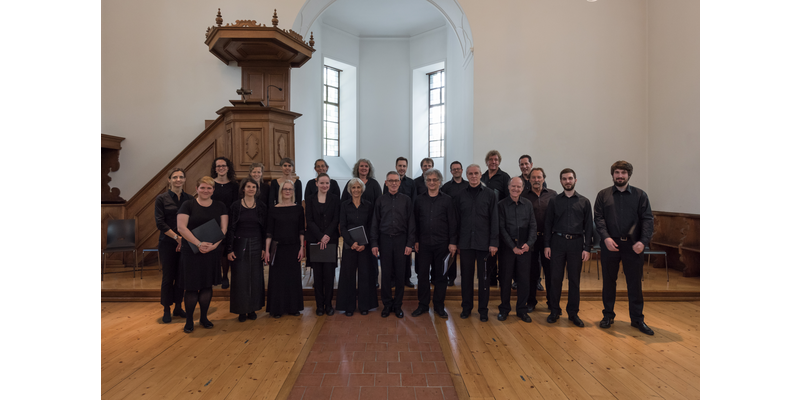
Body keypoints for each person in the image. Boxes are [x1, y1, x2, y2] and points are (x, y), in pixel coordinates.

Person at [594, 160, 655, 335]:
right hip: (610, 244)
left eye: (623, 173)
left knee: (634, 283)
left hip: (633, 246)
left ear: (629, 175)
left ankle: (637, 319)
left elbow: (648, 220)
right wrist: (604, 238)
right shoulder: (603, 195)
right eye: (617, 173)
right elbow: (599, 219)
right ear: (612, 175)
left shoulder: (640, 195)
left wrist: (643, 242)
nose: (620, 176)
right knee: (608, 282)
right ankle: (608, 316)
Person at [176, 176, 229, 333]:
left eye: (209, 188)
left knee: (207, 286)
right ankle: (189, 321)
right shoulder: (188, 205)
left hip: (211, 251)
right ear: (197, 188)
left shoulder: (220, 206)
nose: (206, 190)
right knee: (191, 287)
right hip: (191, 252)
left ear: (213, 190)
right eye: (203, 187)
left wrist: (214, 246)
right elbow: (181, 227)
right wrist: (198, 244)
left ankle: (204, 317)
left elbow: (223, 229)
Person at [544, 168, 592, 327]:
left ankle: (573, 313)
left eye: (570, 178)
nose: (567, 181)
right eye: (564, 179)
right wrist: (547, 245)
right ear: (561, 181)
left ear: (575, 180)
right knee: (555, 279)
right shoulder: (554, 201)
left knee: (574, 280)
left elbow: (589, 227)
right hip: (557, 243)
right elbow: (548, 224)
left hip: (576, 244)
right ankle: (554, 310)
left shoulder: (584, 202)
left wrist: (587, 248)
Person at [455, 164, 499, 322]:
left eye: (476, 173)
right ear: (466, 175)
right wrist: (456, 242)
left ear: (481, 175)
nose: (473, 176)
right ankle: (466, 308)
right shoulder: (460, 195)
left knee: (484, 278)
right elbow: (456, 222)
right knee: (466, 278)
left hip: (484, 244)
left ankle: (483, 309)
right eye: (470, 174)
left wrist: (494, 242)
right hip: (466, 244)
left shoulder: (490, 195)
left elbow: (495, 220)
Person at [412, 169, 457, 318]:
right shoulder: (418, 200)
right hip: (423, 244)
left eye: (434, 180)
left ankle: (439, 306)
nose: (432, 182)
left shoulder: (447, 200)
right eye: (429, 180)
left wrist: (452, 243)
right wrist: (416, 240)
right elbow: (415, 223)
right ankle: (423, 305)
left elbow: (452, 223)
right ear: (425, 182)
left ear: (439, 182)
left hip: (442, 245)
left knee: (441, 276)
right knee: (422, 276)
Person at [371, 171, 416, 318]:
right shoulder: (380, 200)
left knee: (400, 274)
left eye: (396, 180)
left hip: (401, 240)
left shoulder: (406, 200)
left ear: (400, 182)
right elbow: (375, 223)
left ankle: (397, 305)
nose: (394, 183)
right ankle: (387, 305)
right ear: (386, 183)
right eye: (391, 181)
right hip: (384, 240)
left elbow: (411, 223)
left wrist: (410, 243)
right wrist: (374, 243)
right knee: (385, 274)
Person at [225, 177, 268, 322]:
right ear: (243, 189)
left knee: (255, 277)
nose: (251, 189)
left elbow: (264, 229)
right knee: (240, 278)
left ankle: (253, 309)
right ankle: (241, 310)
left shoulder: (261, 206)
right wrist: (229, 249)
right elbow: (231, 229)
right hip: (239, 244)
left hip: (256, 243)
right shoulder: (235, 206)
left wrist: (263, 248)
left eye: (253, 187)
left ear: (257, 190)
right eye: (248, 186)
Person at [154, 168, 192, 323]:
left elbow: (191, 221)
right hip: (168, 243)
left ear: (184, 180)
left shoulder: (189, 199)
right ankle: (166, 309)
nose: (178, 179)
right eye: (175, 177)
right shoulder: (161, 199)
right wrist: (177, 237)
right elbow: (160, 223)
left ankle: (178, 307)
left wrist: (184, 239)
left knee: (181, 276)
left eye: (181, 177)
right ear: (169, 180)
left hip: (185, 243)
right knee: (168, 277)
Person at [336, 178, 379, 316]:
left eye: (358, 187)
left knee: (365, 275)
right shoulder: (344, 205)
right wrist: (351, 243)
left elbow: (371, 225)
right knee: (348, 276)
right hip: (350, 246)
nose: (356, 190)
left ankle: (364, 305)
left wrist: (364, 243)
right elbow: (342, 226)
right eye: (353, 188)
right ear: (350, 190)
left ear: (362, 189)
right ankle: (348, 306)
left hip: (364, 246)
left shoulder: (368, 205)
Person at [497, 177, 536, 322]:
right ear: (508, 187)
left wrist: (529, 244)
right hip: (508, 249)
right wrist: (512, 247)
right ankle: (504, 309)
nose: (515, 189)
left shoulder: (528, 204)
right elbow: (501, 228)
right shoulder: (501, 205)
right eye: (513, 186)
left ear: (522, 188)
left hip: (525, 248)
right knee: (506, 279)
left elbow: (533, 226)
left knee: (524, 280)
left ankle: (521, 310)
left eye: (518, 187)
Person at [265, 180, 306, 318]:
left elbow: (301, 230)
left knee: (293, 278)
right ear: (281, 191)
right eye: (285, 189)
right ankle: (277, 308)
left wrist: (302, 247)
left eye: (290, 189)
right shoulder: (273, 209)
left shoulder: (298, 208)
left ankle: (293, 307)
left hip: (294, 247)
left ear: (293, 192)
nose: (287, 191)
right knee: (278, 279)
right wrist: (266, 250)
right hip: (277, 248)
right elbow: (269, 232)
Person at [520, 167, 558, 312]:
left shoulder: (553, 195)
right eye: (533, 177)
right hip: (530, 240)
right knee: (532, 272)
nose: (536, 180)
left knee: (550, 272)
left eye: (539, 177)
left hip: (548, 240)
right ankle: (531, 301)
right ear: (529, 179)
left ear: (544, 178)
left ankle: (551, 301)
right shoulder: (523, 196)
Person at [341, 158, 383, 289]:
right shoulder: (350, 183)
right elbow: (344, 201)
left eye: (366, 166)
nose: (364, 168)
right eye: (361, 166)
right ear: (357, 169)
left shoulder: (374, 184)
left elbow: (379, 203)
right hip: (352, 227)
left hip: (369, 224)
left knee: (370, 259)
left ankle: (374, 279)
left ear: (369, 169)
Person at [305, 173, 341, 316]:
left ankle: (328, 304)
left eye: (327, 183)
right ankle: (319, 305)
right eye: (322, 183)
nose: (324, 185)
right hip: (315, 240)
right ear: (317, 183)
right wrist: (320, 236)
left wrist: (326, 236)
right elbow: (310, 219)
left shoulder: (335, 199)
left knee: (329, 274)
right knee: (318, 275)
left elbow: (335, 219)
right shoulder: (310, 199)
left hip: (330, 240)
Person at [384, 157, 417, 288]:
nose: (402, 168)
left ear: (406, 167)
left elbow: (413, 201)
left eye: (404, 166)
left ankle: (406, 278)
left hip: (405, 222)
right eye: (400, 166)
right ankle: (392, 278)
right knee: (392, 256)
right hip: (391, 223)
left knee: (406, 254)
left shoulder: (411, 183)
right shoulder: (388, 182)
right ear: (396, 166)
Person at [481, 150, 510, 287]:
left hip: (500, 218)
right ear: (486, 161)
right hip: (485, 220)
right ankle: (491, 279)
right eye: (491, 159)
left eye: (496, 160)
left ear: (499, 162)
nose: (493, 162)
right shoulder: (482, 177)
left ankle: (502, 279)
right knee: (489, 251)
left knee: (502, 251)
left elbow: (508, 198)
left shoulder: (505, 177)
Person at [211, 157, 238, 289]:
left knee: (227, 249)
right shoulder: (211, 184)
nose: (221, 168)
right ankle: (214, 276)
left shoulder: (234, 185)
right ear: (215, 168)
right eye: (218, 166)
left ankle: (225, 276)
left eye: (223, 165)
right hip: (213, 221)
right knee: (216, 249)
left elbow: (235, 205)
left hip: (230, 220)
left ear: (228, 167)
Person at [441, 161, 468, 286]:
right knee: (450, 251)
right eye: (454, 169)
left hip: (465, 223)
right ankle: (450, 278)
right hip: (450, 223)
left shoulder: (468, 186)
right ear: (451, 171)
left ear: (462, 170)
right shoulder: (446, 187)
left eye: (458, 169)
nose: (456, 171)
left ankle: (465, 277)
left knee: (464, 252)